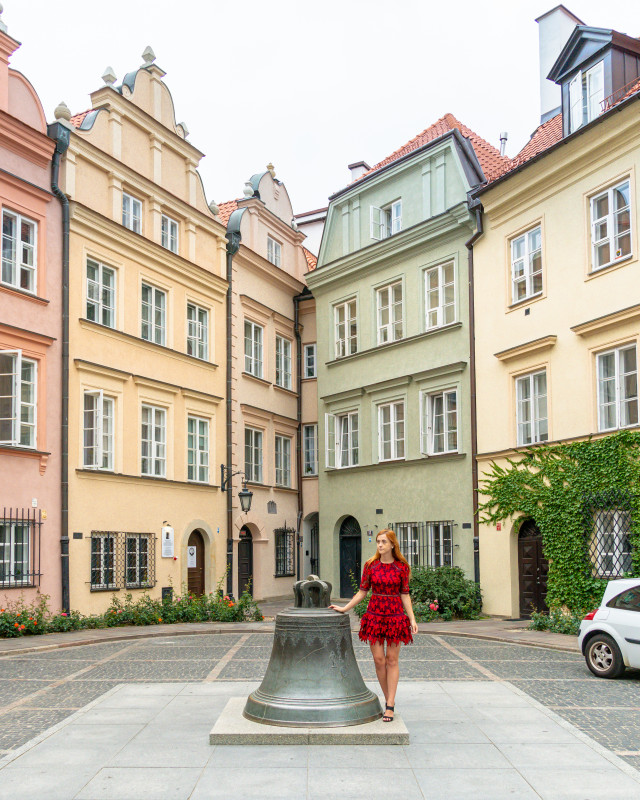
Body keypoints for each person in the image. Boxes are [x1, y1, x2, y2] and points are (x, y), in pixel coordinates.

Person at [329, 529, 418, 722]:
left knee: (392, 660)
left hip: (395, 617)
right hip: (375, 616)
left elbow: (405, 594)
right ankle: (388, 700)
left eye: (384, 542)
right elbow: (362, 592)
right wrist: (345, 608)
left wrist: (411, 618)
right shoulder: (371, 565)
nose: (380, 545)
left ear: (393, 544)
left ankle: (390, 704)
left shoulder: (402, 567)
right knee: (379, 660)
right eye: (378, 541)